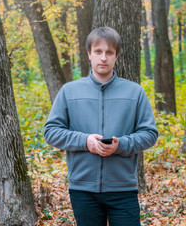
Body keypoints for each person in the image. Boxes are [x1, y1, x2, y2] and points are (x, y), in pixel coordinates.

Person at [44, 27, 158, 226]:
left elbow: (149, 134)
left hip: (123, 189)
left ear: (116, 56)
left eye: (109, 52)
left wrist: (120, 145)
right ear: (89, 54)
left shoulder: (134, 92)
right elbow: (51, 132)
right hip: (83, 189)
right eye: (98, 52)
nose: (103, 57)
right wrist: (85, 141)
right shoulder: (69, 91)